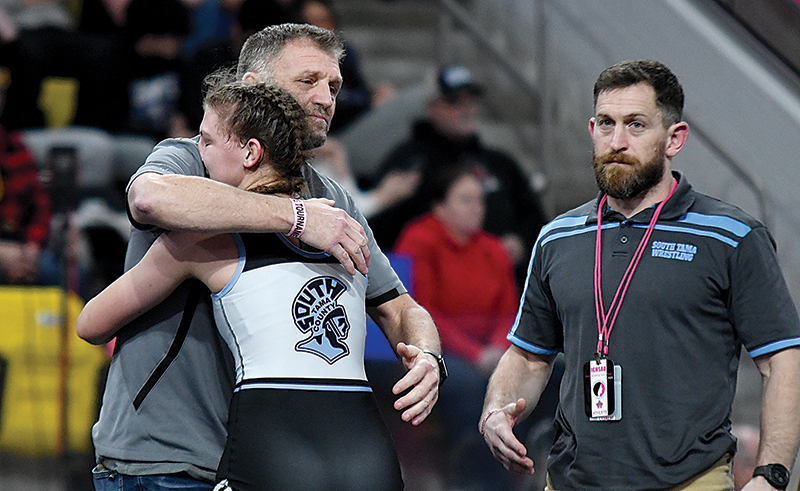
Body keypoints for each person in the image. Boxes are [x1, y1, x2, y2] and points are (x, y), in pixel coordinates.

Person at [90, 23, 444, 491]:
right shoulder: (194, 158)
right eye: (308, 80)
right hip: (168, 461)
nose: (325, 98)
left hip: (270, 462)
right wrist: (294, 217)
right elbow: (150, 199)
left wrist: (428, 356)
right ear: (252, 87)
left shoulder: (331, 198)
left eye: (334, 85)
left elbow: (397, 306)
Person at [479, 59, 800, 491]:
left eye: (636, 125)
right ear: (592, 129)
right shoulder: (558, 237)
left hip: (689, 481)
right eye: (606, 124)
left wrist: (771, 474)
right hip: (571, 480)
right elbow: (528, 356)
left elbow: (782, 361)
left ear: (674, 139)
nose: (617, 142)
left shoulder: (731, 236)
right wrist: (496, 409)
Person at [393, 161, 520, 490]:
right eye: (465, 199)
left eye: (480, 200)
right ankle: (476, 478)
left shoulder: (493, 248)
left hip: (489, 349)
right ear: (439, 206)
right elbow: (422, 312)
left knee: (551, 370)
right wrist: (477, 354)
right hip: (437, 349)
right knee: (466, 383)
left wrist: (497, 349)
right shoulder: (419, 240)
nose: (477, 208)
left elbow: (509, 311)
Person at [367, 64, 547, 283]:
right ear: (431, 106)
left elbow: (536, 218)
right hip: (434, 285)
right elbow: (381, 228)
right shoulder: (408, 161)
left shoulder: (500, 162)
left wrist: (521, 242)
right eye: (454, 101)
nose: (466, 109)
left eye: (471, 100)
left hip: (502, 283)